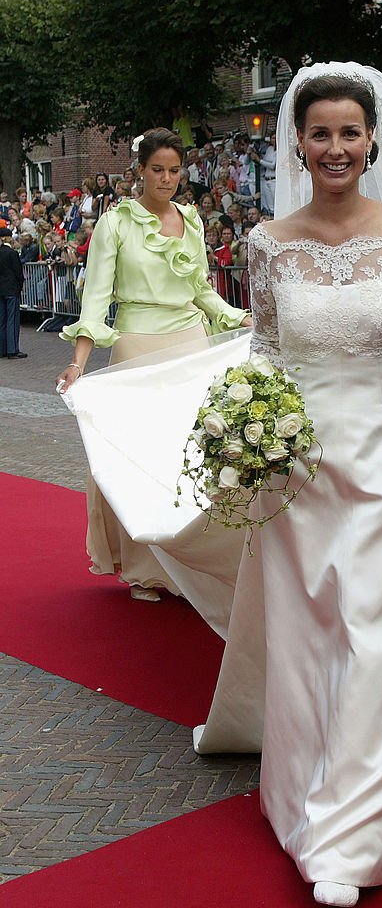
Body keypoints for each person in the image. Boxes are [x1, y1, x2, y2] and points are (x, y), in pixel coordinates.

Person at [191, 62, 382, 908]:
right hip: (297, 469)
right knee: (315, 637)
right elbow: (266, 351)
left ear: (371, 141)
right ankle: (310, 790)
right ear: (297, 142)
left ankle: (357, 836)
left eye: (348, 133)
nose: (334, 147)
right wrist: (248, 424)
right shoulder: (266, 241)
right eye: (319, 133)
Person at [55, 127, 251, 602]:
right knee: (138, 459)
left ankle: (194, 560)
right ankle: (143, 567)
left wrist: (235, 316)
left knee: (192, 457)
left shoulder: (191, 219)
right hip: (137, 345)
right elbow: (97, 295)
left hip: (191, 344)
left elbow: (202, 288)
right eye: (157, 170)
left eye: (174, 170)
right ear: (140, 170)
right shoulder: (115, 223)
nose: (167, 179)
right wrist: (79, 361)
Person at [0, 225, 26, 359]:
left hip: (1, 290)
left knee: (2, 319)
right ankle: (12, 349)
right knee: (12, 319)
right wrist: (20, 286)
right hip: (11, 289)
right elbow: (18, 273)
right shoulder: (12, 253)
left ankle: (2, 349)